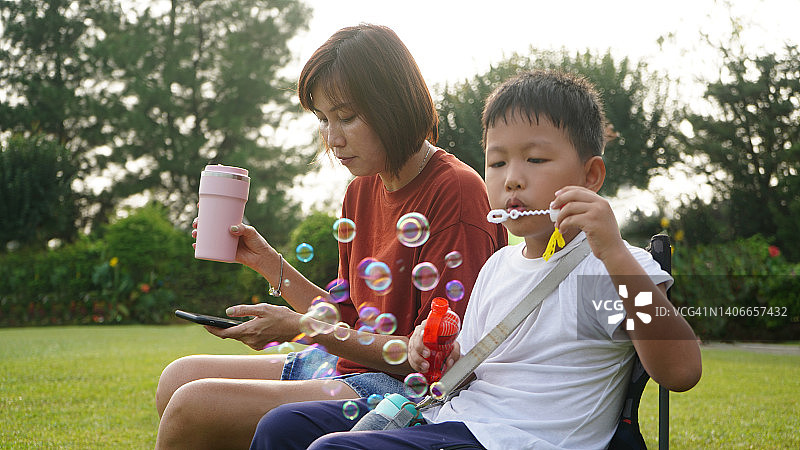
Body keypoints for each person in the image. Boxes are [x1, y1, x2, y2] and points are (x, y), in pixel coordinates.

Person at [249, 70, 702, 449]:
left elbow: (680, 372)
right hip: (456, 422)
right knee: (279, 426)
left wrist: (615, 253)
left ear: (591, 174)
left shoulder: (617, 269)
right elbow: (464, 372)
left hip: (519, 441)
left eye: (537, 159)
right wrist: (432, 352)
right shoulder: (499, 267)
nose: (514, 180)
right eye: (497, 163)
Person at [154, 24, 507, 449]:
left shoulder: (457, 192)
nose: (333, 139)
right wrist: (265, 260)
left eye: (347, 117)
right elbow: (347, 316)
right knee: (176, 378)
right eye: (323, 119)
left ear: (393, 105)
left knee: (195, 404)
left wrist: (302, 328)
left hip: (406, 393)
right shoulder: (362, 189)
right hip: (347, 366)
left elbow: (434, 361)